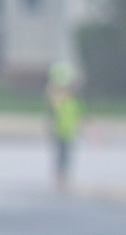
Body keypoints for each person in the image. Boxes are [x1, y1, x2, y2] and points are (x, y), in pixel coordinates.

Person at [46, 62, 80, 192]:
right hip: (59, 131)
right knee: (61, 155)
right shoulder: (58, 98)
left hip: (68, 131)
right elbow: (53, 112)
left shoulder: (71, 100)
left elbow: (77, 113)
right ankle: (60, 178)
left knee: (65, 155)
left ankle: (63, 177)